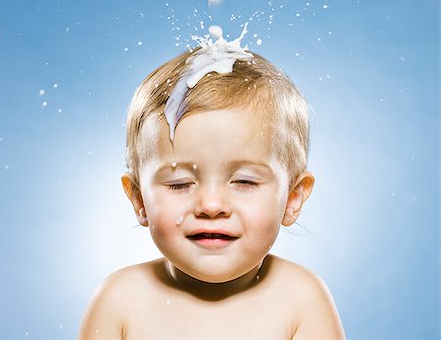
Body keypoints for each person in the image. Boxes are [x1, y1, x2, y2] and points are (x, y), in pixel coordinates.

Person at [78, 34, 346, 339]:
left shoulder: (301, 300)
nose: (211, 205)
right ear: (140, 200)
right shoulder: (119, 301)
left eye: (244, 181)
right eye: (180, 184)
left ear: (292, 199)